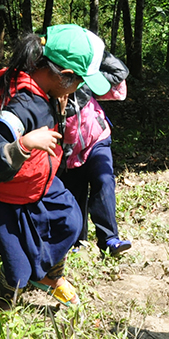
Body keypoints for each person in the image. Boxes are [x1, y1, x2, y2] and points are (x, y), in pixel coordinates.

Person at [0, 24, 112, 310]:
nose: (79, 89)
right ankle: (0, 314)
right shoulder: (21, 105)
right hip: (6, 197)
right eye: (79, 81)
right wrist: (24, 144)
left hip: (39, 183)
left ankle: (50, 277)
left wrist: (60, 114)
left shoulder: (44, 92)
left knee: (71, 222)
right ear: (63, 76)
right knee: (17, 273)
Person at [60, 50, 131, 257]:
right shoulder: (47, 91)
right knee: (73, 195)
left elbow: (119, 72)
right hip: (68, 153)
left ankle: (110, 240)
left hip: (96, 140)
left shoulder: (86, 82)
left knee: (104, 180)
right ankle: (76, 242)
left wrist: (94, 51)